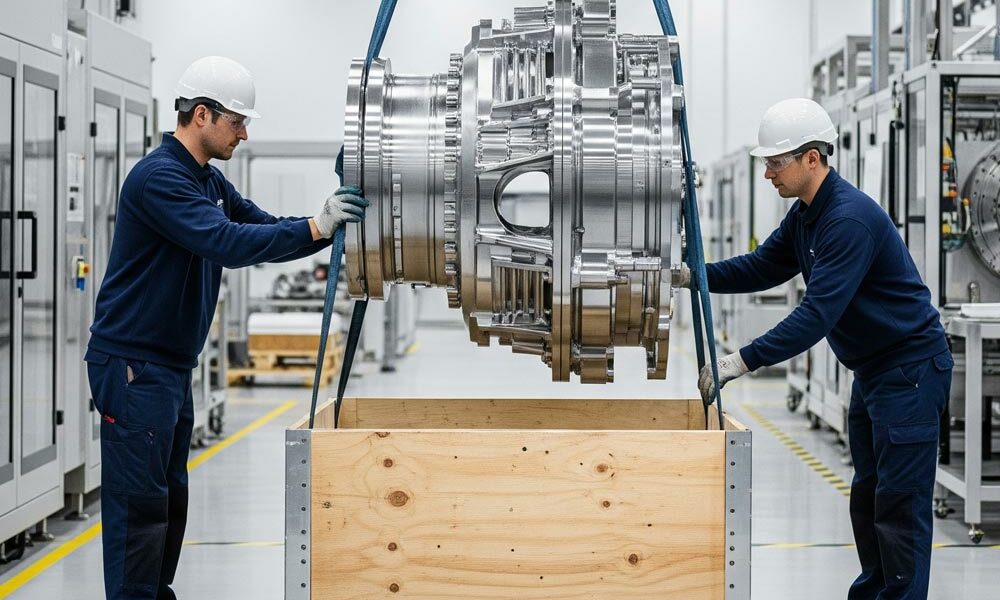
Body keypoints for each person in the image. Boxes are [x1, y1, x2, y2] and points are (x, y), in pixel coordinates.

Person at [84, 56, 368, 600]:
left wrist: (326, 225)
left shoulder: (207, 181)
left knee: (169, 497)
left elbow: (256, 225)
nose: (244, 131)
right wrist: (317, 226)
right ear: (200, 115)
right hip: (132, 366)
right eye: (237, 120)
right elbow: (227, 243)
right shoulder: (160, 180)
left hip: (166, 366)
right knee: (139, 506)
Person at [685, 98, 953, 599]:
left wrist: (737, 361)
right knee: (869, 497)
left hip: (910, 372)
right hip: (874, 373)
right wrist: (691, 276)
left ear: (813, 159)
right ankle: (873, 592)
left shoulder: (847, 220)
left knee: (899, 507)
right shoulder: (807, 214)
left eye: (776, 162)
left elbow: (816, 316)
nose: (767, 174)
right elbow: (761, 267)